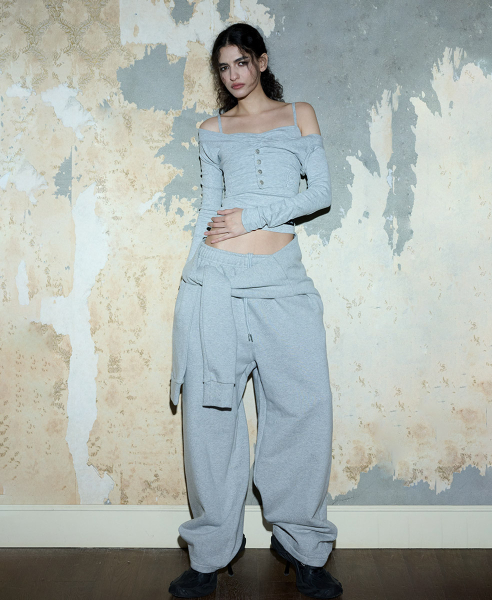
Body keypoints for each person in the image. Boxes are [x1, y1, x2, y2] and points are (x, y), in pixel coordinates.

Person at [168, 22, 343, 599]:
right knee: (209, 416)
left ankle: (302, 545)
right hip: (217, 282)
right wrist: (190, 286)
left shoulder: (299, 115)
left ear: (262, 62)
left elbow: (319, 193)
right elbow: (208, 209)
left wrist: (252, 217)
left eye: (241, 62)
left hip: (282, 283)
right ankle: (212, 550)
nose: (233, 75)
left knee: (303, 409)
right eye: (223, 67)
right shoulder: (212, 130)